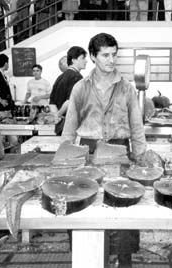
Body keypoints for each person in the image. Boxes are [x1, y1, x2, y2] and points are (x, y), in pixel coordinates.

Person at [62, 33, 146, 267]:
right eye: (105, 55)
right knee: (85, 207)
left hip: (120, 153)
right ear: (92, 57)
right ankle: (90, 259)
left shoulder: (126, 87)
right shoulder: (80, 88)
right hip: (88, 153)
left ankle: (124, 260)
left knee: (123, 208)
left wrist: (141, 159)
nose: (111, 60)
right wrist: (64, 164)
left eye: (114, 55)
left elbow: (136, 127)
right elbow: (69, 130)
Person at [50, 46, 87, 135]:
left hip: (60, 126)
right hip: (70, 125)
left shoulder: (60, 77)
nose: (86, 61)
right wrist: (58, 115)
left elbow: (52, 102)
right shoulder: (77, 77)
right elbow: (70, 101)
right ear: (74, 60)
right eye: (83, 58)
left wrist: (56, 116)